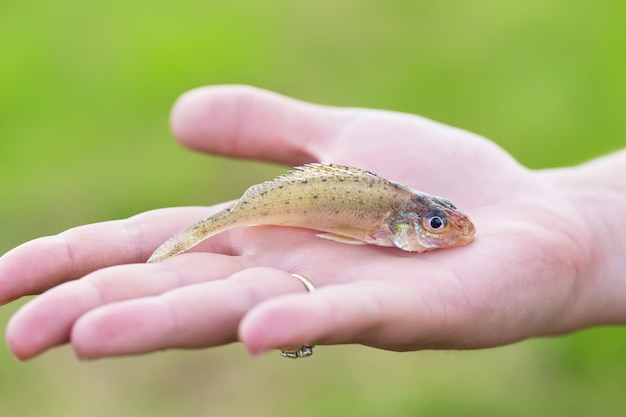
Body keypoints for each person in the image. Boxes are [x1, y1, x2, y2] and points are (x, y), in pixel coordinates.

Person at [0, 85, 624, 361]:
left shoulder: (398, 211)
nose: (445, 231)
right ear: (407, 220)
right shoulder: (386, 210)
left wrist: (591, 228)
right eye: (436, 225)